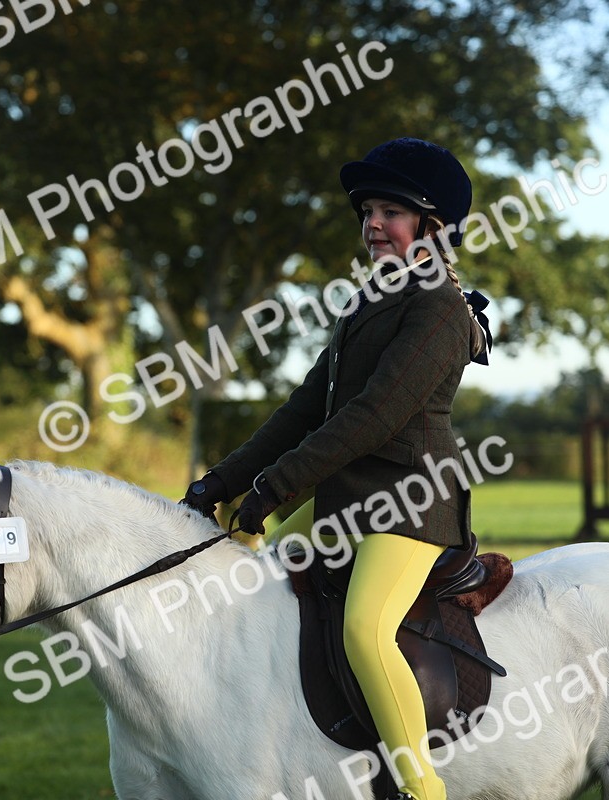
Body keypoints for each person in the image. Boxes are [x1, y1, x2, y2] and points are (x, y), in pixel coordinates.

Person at [181, 137, 490, 800]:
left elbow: (374, 416)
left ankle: (421, 787)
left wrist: (278, 487)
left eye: (393, 212)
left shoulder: (438, 306)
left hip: (409, 505)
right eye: (369, 211)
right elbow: (303, 411)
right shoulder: (368, 302)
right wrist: (225, 481)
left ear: (434, 228)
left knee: (363, 627)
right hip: (347, 504)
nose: (373, 224)